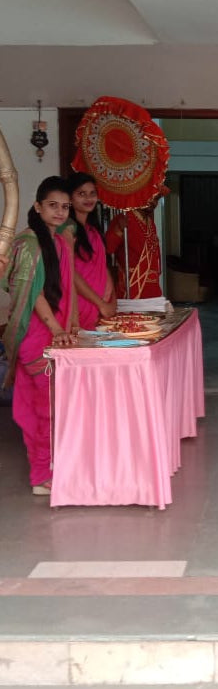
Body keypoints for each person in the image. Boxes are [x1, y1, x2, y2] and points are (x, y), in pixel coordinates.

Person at [1, 176, 78, 496]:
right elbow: (33, 294)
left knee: (51, 405)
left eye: (65, 207)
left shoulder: (55, 240)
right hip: (37, 334)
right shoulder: (29, 243)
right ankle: (41, 475)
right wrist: (57, 328)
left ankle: (50, 468)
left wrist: (67, 326)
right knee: (45, 408)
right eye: (53, 205)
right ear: (37, 206)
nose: (60, 212)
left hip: (53, 332)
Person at [66, 172, 116, 328]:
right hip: (81, 305)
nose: (88, 198)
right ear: (70, 198)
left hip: (102, 306)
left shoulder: (93, 230)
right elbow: (70, 273)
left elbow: (103, 267)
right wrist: (100, 303)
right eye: (81, 194)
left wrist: (112, 300)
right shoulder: (67, 230)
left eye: (92, 193)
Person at [105, 198, 162, 298]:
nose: (153, 202)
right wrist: (118, 230)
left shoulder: (151, 223)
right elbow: (108, 248)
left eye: (156, 199)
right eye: (149, 197)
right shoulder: (123, 218)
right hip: (131, 289)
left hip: (153, 291)